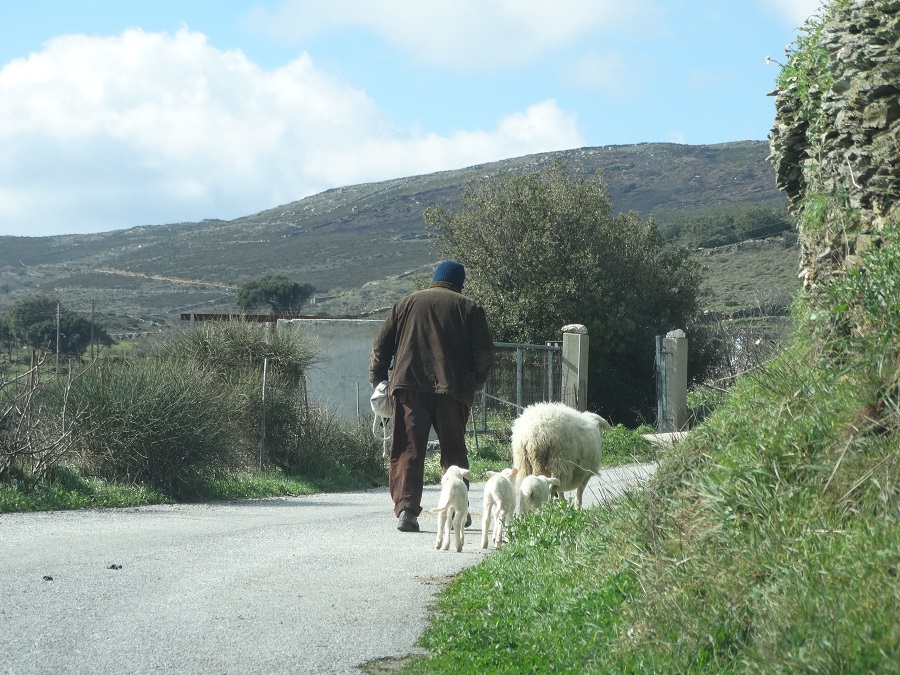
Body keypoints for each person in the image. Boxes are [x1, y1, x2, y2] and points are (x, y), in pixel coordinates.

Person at [369, 260, 494, 532]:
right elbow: (484, 355)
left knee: (408, 450)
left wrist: (379, 381)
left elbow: (381, 347)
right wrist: (475, 383)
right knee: (454, 453)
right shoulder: (469, 307)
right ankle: (456, 510)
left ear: (435, 278)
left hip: (409, 388)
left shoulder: (404, 304)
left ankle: (406, 510)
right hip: (452, 390)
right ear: (459, 282)